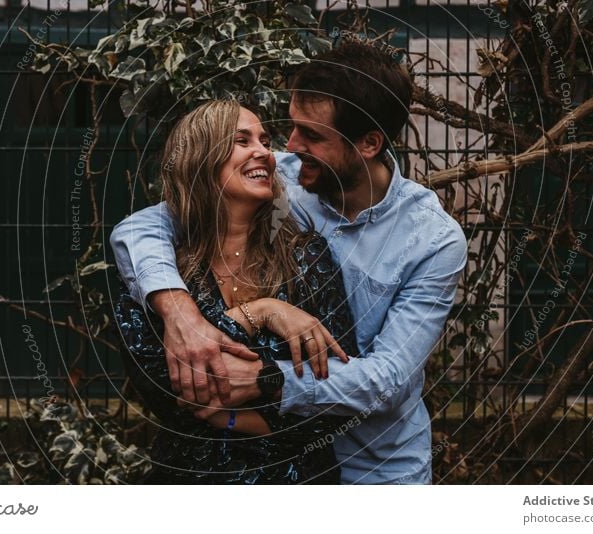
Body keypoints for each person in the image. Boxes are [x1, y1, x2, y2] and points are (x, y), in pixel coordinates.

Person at [111, 41, 468, 484]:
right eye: (294, 127)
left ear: (370, 143)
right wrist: (180, 312)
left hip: (379, 466)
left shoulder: (432, 239)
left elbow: (389, 379)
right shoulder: (282, 176)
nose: (290, 146)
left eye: (312, 135)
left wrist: (264, 381)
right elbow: (140, 228)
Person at [114, 100, 358, 484]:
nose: (264, 151)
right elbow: (165, 390)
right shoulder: (162, 268)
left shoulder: (307, 257)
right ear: (200, 159)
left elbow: (337, 392)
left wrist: (232, 417)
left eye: (264, 139)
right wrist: (257, 312)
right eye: (241, 141)